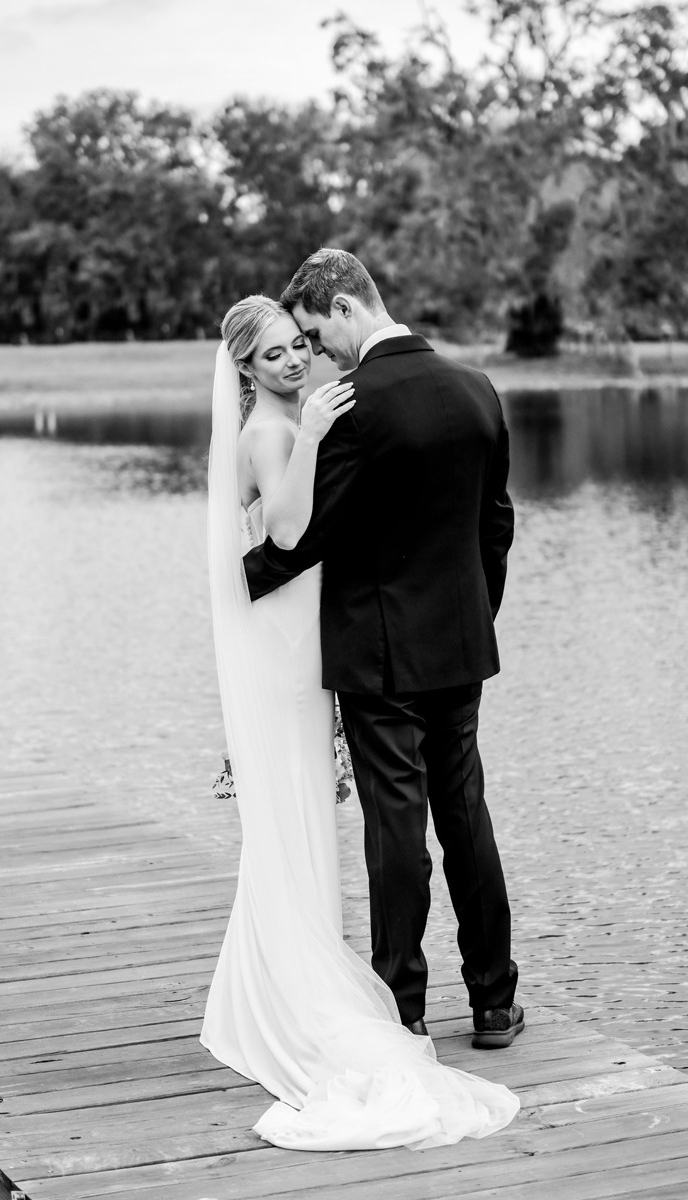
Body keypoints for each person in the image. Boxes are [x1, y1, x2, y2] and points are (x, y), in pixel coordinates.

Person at [201, 285, 520, 1150]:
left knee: (394, 824)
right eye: (287, 346)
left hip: (377, 653)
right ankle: (493, 1001)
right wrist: (470, 616)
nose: (314, 354)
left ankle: (401, 1008)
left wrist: (251, 582)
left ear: (342, 306)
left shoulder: (345, 409)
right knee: (466, 813)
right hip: (460, 644)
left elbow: (303, 535)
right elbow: (496, 524)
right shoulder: (476, 388)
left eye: (312, 334)